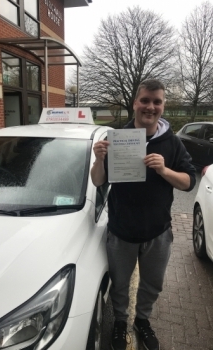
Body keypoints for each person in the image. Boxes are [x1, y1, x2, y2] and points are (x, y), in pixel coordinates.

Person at [90, 79, 196, 350]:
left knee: (152, 284)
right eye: (145, 100)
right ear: (136, 103)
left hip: (158, 232)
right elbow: (99, 181)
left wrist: (164, 170)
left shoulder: (172, 143)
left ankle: (143, 321)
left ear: (162, 106)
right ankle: (121, 322)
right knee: (120, 285)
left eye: (157, 101)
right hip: (122, 230)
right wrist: (99, 159)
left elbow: (188, 182)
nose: (151, 106)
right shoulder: (115, 138)